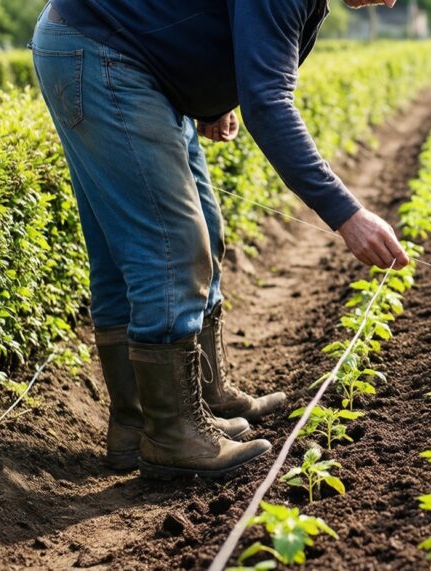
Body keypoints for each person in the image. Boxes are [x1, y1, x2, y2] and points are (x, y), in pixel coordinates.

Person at [30, 0, 408, 480]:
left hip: (135, 60)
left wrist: (211, 98)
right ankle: (171, 435)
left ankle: (165, 414)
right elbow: (269, 103)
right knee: (171, 246)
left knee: (198, 229)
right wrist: (347, 215)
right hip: (104, 52)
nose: (393, 2)